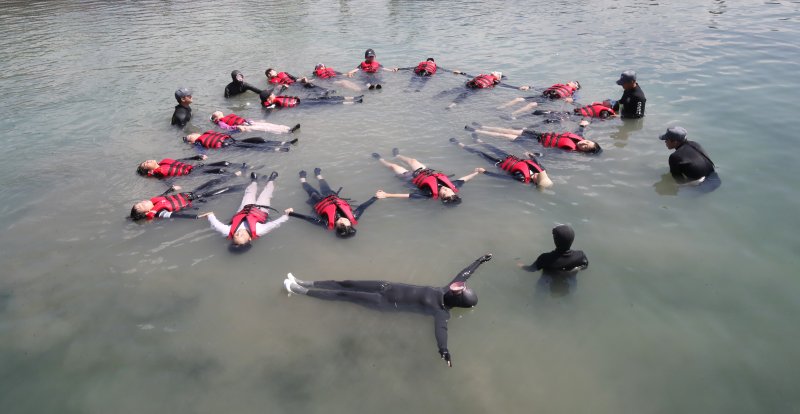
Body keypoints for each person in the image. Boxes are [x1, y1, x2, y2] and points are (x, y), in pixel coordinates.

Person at [282, 253, 493, 367]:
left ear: (458, 300)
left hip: (382, 303)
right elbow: (464, 274)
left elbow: (441, 332)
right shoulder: (448, 289)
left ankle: (299, 291)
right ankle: (306, 282)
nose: (458, 285)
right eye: (460, 286)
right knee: (345, 283)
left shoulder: (441, 312)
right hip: (386, 286)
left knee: (343, 296)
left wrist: (443, 350)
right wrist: (479, 261)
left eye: (460, 290)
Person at [205, 171, 290, 251]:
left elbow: (216, 225)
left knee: (249, 193)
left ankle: (254, 181)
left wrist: (210, 216)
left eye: (236, 235)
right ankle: (271, 180)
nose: (239, 233)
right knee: (266, 195)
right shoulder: (259, 230)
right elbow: (275, 224)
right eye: (242, 235)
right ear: (249, 239)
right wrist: (286, 215)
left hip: (244, 209)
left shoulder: (227, 231)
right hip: (261, 211)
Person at [372, 148, 485, 205]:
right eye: (449, 190)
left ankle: (380, 160)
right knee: (413, 160)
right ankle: (398, 155)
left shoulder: (428, 194)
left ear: (441, 197)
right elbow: (464, 179)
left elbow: (408, 195)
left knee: (393, 166)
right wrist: (476, 172)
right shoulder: (453, 187)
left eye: (444, 192)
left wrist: (387, 195)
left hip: (412, 178)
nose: (445, 189)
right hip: (426, 172)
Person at [287, 168, 378, 238]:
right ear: (350, 224)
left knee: (310, 190)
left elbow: (307, 218)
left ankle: (302, 179)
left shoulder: (326, 223)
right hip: (332, 197)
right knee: (325, 186)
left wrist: (291, 213)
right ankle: (318, 175)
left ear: (336, 228)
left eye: (340, 225)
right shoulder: (354, 216)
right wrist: (376, 197)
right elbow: (362, 207)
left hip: (318, 201)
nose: (342, 221)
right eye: (346, 223)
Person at [129, 174, 243, 221]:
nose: (143, 201)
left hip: (192, 193)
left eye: (140, 202)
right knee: (224, 190)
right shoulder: (161, 213)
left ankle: (235, 175)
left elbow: (162, 197)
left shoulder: (154, 202)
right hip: (197, 201)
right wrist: (197, 216)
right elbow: (178, 215)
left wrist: (171, 189)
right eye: (142, 205)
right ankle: (246, 186)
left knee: (213, 181)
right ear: (147, 212)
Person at [449, 137, 553, 188]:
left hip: (500, 164)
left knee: (480, 153)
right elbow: (536, 162)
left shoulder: (521, 178)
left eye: (537, 178)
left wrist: (485, 172)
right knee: (494, 148)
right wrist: (531, 155)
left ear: (535, 183)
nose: (537, 175)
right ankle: (478, 140)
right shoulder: (542, 170)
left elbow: (503, 177)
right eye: (539, 175)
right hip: (512, 159)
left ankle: (460, 144)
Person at [520, 225, 588, 297]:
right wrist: (572, 270)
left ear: (555, 240)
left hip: (546, 284)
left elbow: (531, 269)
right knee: (569, 296)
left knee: (539, 295)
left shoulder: (545, 258)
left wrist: (521, 266)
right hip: (569, 284)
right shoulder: (580, 255)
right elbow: (584, 266)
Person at [465, 123, 601, 154]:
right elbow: (579, 131)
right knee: (510, 130)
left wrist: (535, 154)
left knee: (506, 135)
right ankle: (483, 126)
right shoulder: (580, 138)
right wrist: (583, 125)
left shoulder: (569, 150)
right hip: (539, 134)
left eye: (585, 147)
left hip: (536, 141)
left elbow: (551, 153)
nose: (584, 143)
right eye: (587, 142)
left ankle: (476, 131)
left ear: (583, 152)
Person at [440, 71, 529, 108]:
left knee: (452, 90)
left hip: (469, 84)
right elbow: (505, 86)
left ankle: (436, 97)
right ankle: (451, 105)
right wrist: (518, 88)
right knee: (464, 95)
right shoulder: (496, 81)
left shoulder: (483, 75)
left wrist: (460, 72)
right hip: (476, 88)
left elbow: (470, 76)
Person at [496, 81, 581, 115]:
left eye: (573, 82)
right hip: (543, 95)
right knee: (518, 99)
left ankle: (512, 114)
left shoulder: (574, 92)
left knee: (531, 104)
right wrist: (529, 87)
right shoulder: (560, 86)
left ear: (576, 87)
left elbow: (575, 98)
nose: (570, 81)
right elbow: (544, 88)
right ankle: (499, 108)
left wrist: (571, 99)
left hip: (550, 99)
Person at [136, 155, 235, 179]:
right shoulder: (159, 173)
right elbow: (166, 181)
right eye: (145, 164)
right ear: (150, 170)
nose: (147, 161)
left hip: (195, 167)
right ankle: (234, 176)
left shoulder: (163, 162)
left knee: (224, 163)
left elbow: (180, 161)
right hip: (192, 173)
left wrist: (196, 157)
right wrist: (172, 188)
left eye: (145, 161)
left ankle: (244, 167)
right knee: (220, 170)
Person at [183, 130, 297, 151]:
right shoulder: (198, 143)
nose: (192, 134)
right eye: (190, 136)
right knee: (252, 147)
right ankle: (277, 149)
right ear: (191, 141)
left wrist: (237, 130)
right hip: (228, 146)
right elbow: (201, 152)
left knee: (258, 139)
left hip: (233, 140)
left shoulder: (207, 133)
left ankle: (285, 143)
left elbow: (225, 133)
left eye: (191, 133)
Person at [259, 89, 362, 109]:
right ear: (268, 99)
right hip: (302, 105)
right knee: (328, 103)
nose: (273, 94)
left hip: (302, 101)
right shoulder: (272, 104)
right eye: (271, 94)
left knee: (329, 98)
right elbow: (268, 107)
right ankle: (353, 103)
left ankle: (353, 98)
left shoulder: (274, 100)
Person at [210, 111, 300, 134]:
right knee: (265, 128)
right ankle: (287, 132)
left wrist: (254, 121)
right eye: (216, 113)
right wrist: (237, 127)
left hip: (247, 123)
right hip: (244, 127)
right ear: (216, 117)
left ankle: (288, 128)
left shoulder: (228, 116)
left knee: (268, 124)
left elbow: (242, 119)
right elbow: (227, 128)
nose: (218, 112)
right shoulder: (220, 122)